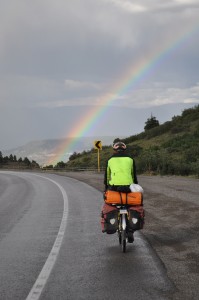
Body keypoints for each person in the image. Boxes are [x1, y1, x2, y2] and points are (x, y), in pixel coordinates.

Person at [103, 141, 138, 242]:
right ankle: (130, 230)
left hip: (114, 187)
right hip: (128, 186)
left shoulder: (109, 160)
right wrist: (135, 185)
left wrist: (106, 187)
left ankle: (113, 221)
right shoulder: (130, 159)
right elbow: (133, 175)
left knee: (112, 203)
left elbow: (107, 176)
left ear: (114, 150)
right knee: (131, 205)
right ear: (125, 149)